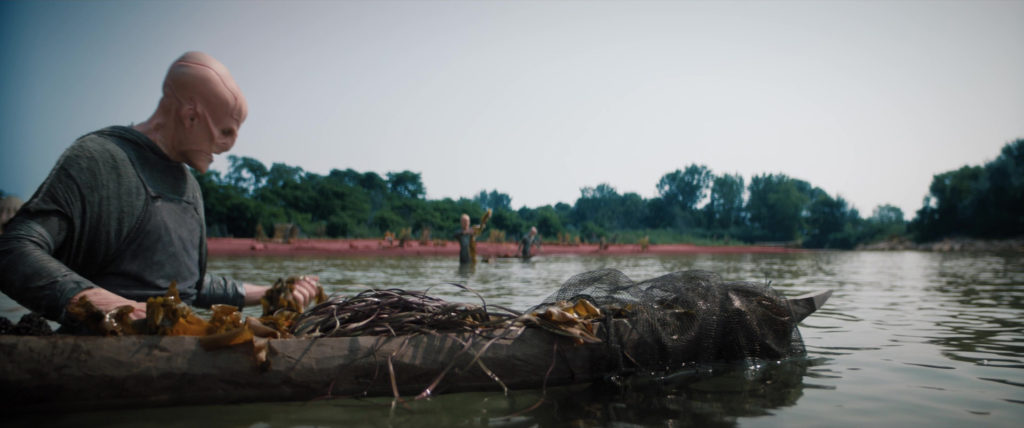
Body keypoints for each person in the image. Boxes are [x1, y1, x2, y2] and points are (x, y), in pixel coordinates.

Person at [0, 52, 320, 328]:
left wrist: (270, 293)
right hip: (98, 349)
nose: (226, 148)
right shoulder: (97, 159)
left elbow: (188, 289)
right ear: (190, 116)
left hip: (178, 337)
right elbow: (13, 252)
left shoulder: (190, 188)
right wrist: (108, 306)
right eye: (224, 133)